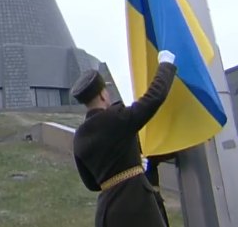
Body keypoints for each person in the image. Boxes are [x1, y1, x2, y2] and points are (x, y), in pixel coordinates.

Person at [71, 51, 177, 227]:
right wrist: (166, 64)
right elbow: (154, 98)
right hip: (137, 205)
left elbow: (91, 183)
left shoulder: (79, 138)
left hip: (107, 212)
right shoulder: (116, 118)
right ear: (103, 95)